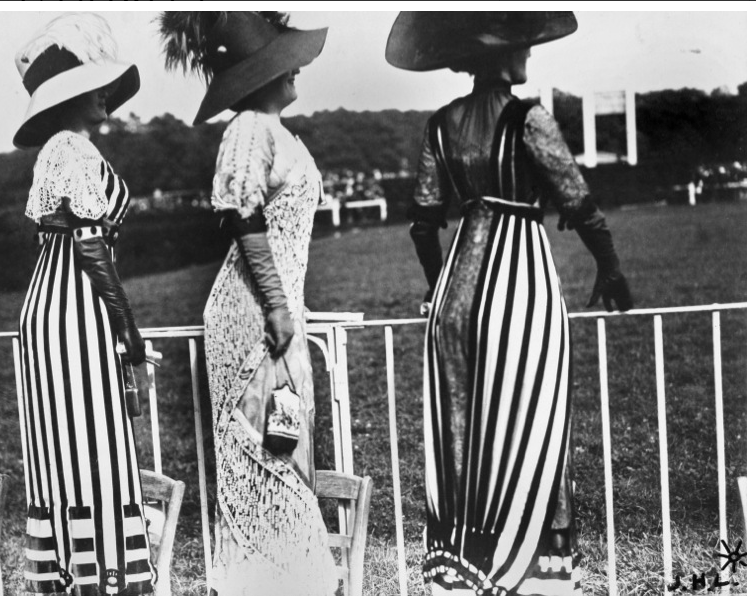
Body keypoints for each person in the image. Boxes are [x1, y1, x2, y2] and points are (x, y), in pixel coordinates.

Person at [386, 12, 633, 596]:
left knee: (463, 433)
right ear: (502, 56)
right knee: (534, 424)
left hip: (452, 299)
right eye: (523, 46)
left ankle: (464, 563)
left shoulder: (440, 124)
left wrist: (437, 284)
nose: (529, 55)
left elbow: (423, 224)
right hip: (521, 290)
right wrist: (610, 266)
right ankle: (532, 572)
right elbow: (576, 196)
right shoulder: (528, 119)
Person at [159, 12, 337, 595]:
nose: (294, 71)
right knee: (266, 453)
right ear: (255, 76)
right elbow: (243, 217)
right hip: (255, 317)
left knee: (283, 446)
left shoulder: (276, 131)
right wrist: (280, 308)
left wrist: (288, 309)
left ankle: (284, 579)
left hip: (278, 311)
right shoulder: (249, 130)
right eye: (279, 63)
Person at [14, 13, 156, 595]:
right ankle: (102, 578)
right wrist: (129, 333)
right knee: (91, 441)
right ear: (67, 94)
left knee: (69, 445)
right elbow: (92, 249)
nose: (105, 93)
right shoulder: (70, 148)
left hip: (54, 308)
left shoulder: (62, 148)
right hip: (76, 311)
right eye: (93, 83)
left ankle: (76, 572)